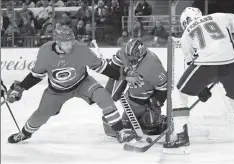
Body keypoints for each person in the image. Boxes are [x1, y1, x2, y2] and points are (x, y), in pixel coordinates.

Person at [6, 25, 138, 144]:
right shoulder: (45, 51)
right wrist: (21, 87)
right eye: (66, 43)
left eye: (71, 42)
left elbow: (101, 68)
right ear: (57, 42)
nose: (70, 46)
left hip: (83, 83)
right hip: (56, 91)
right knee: (41, 114)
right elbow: (36, 75)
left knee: (103, 96)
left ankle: (121, 132)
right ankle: (24, 134)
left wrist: (123, 76)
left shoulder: (80, 49)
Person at [163, 7, 234, 154]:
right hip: (232, 64)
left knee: (179, 93)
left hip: (205, 65)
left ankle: (182, 138)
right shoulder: (220, 16)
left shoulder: (186, 34)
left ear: (186, 21)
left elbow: (193, 64)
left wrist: (201, 87)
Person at [103, 39, 168, 137]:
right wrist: (125, 75)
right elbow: (114, 69)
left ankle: (155, 116)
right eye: (128, 58)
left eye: (133, 59)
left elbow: (163, 87)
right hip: (132, 99)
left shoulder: (152, 65)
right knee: (124, 127)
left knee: (150, 127)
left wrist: (154, 103)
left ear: (141, 54)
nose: (130, 62)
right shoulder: (123, 52)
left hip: (147, 98)